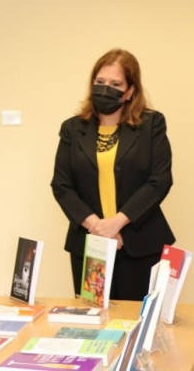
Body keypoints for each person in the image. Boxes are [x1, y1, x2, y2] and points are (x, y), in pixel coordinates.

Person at [51, 48, 175, 301]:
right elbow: (62, 186)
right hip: (89, 243)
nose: (105, 89)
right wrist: (98, 227)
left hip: (139, 245)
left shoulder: (151, 124)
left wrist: (117, 224)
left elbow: (159, 181)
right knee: (93, 322)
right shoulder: (73, 129)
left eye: (115, 83)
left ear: (130, 91)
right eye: (100, 82)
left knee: (137, 325)